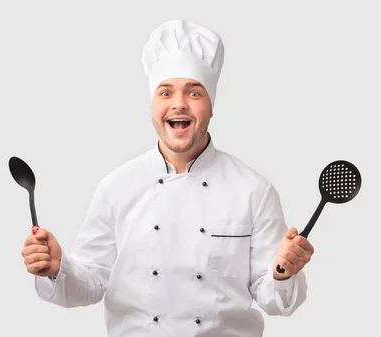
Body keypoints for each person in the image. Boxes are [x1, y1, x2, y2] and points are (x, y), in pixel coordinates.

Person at [21, 19, 315, 336]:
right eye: (165, 92)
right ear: (153, 105)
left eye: (194, 92)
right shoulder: (116, 187)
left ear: (211, 106)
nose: (179, 103)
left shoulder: (254, 190)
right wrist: (56, 269)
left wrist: (283, 273)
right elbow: (90, 282)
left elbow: (274, 299)